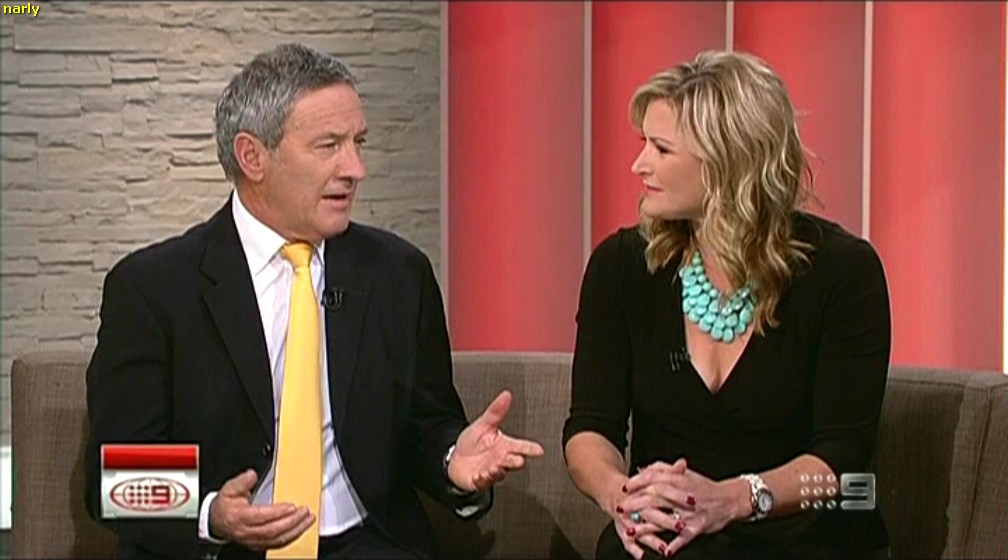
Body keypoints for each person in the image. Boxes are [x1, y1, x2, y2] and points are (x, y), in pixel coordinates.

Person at [85, 43, 544, 560]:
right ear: (252, 157)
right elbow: (116, 478)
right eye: (329, 146)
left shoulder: (397, 273)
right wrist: (212, 514)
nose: (356, 168)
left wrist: (452, 460)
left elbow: (425, 426)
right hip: (222, 549)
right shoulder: (154, 289)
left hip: (368, 545)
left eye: (358, 142)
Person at [562, 50, 890, 559]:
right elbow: (590, 428)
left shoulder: (843, 272)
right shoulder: (622, 267)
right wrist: (623, 497)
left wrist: (736, 499)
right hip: (673, 538)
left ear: (726, 163)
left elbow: (844, 469)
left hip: (802, 536)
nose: (639, 164)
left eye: (661, 149)